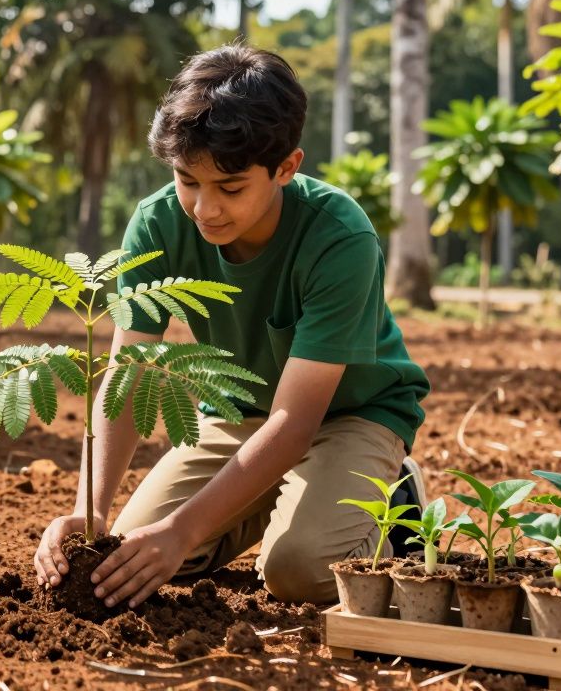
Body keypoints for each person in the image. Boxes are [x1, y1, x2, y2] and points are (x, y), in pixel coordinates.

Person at [32, 43, 430, 609]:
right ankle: (282, 500)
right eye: (187, 181)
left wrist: (183, 530)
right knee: (131, 555)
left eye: (232, 187)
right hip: (240, 417)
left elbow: (296, 422)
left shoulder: (339, 236)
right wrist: (91, 508)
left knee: (300, 573)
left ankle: (393, 500)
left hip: (348, 416)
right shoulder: (157, 223)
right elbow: (127, 375)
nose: (204, 210)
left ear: (286, 167)